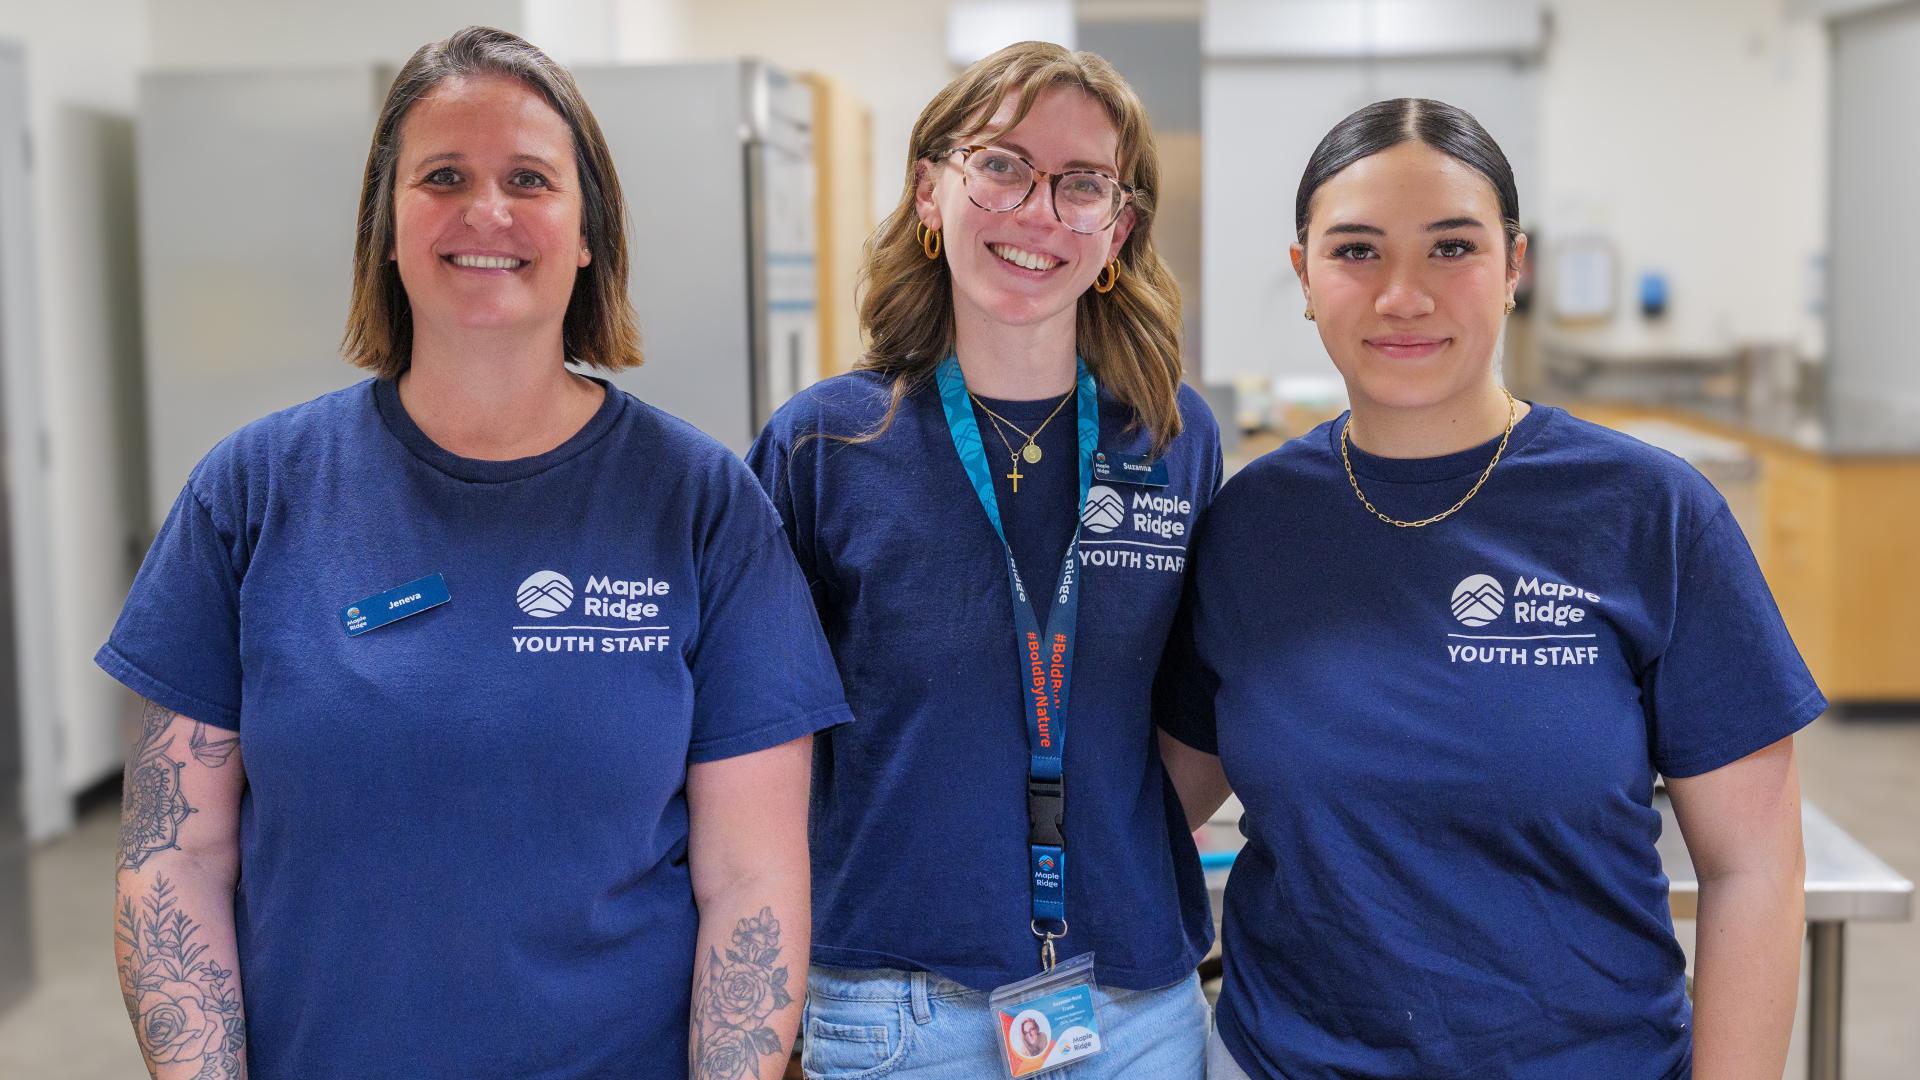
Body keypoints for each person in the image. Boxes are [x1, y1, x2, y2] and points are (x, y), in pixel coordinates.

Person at [102, 26, 848, 1080]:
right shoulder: (254, 491)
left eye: (529, 179)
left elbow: (753, 882)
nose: (486, 211)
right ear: (388, 227)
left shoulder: (699, 504)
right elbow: (173, 857)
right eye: (443, 175)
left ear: (588, 231)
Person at [1157, 98, 1822, 1080]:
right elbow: (1155, 802)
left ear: (1515, 266)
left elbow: (1756, 870)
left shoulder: (1649, 515)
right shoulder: (1251, 526)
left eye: (1451, 249)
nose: (1403, 295)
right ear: (1303, 274)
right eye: (1357, 252)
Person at [748, 40, 1221, 1080]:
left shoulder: (1172, 438)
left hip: (1134, 1005)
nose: (1039, 211)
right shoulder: (825, 445)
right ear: (932, 189)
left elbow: (1194, 723)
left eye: (1082, 184)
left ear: (1119, 229)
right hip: (896, 1009)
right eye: (1001, 164)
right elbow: (755, 758)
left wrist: (1088, 834)